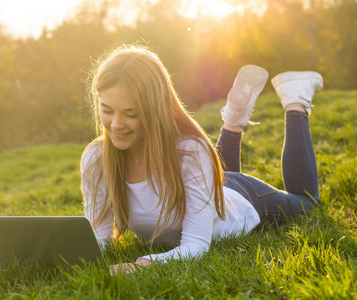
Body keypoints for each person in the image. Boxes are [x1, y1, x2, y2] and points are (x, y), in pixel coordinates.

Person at [80, 45, 322, 275]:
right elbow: (99, 240)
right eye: (107, 110)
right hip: (207, 188)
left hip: (243, 198)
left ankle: (295, 100)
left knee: (307, 202)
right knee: (205, 166)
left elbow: (196, 245)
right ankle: (234, 118)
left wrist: (143, 264)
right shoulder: (96, 159)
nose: (116, 124)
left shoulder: (191, 153)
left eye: (130, 113)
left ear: (155, 110)